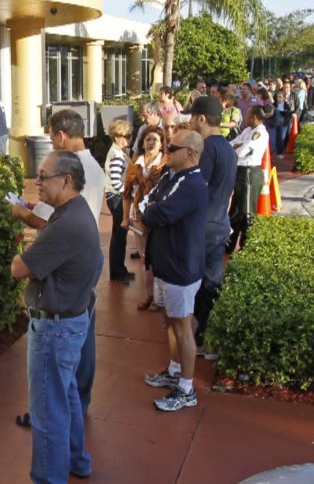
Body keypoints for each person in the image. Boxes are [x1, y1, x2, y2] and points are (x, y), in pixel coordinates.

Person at [11, 150, 102, 483]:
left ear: (66, 180)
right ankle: (77, 460)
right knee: (66, 396)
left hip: (54, 329)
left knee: (48, 411)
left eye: (43, 176)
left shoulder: (67, 225)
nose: (36, 182)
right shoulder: (74, 213)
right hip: (67, 324)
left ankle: (49, 477)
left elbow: (18, 267)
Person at [139, 130, 208, 412]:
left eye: (173, 148)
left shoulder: (192, 185)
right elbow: (148, 201)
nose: (167, 152)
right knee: (170, 321)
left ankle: (187, 388)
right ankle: (175, 369)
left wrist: (151, 210)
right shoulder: (170, 177)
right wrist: (151, 209)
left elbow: (159, 213)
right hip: (165, 264)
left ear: (190, 153)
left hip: (181, 267)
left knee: (182, 326)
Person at [46, 109, 105, 414]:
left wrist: (23, 214)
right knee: (83, 329)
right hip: (87, 255)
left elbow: (51, 222)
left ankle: (63, 405)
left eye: (51, 138)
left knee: (65, 334)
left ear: (62, 135)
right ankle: (78, 401)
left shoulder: (70, 168)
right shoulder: (94, 166)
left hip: (68, 259)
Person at [186, 97, 238, 358]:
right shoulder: (228, 148)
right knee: (211, 282)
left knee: (195, 284)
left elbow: (197, 188)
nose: (190, 122)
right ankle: (208, 336)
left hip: (203, 227)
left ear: (202, 118)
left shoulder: (207, 149)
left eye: (192, 117)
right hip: (219, 224)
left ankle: (202, 336)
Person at [123, 127, 168, 313]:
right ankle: (149, 294)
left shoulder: (166, 166)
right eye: (147, 139)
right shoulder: (135, 165)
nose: (151, 143)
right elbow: (126, 194)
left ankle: (160, 298)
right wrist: (125, 219)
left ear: (162, 145)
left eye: (155, 140)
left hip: (159, 217)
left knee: (159, 257)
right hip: (138, 216)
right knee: (144, 258)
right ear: (142, 143)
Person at [227, 106, 268, 254]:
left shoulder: (259, 133)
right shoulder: (247, 131)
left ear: (254, 117)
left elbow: (243, 151)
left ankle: (246, 248)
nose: (245, 117)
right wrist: (236, 146)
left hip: (249, 173)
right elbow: (232, 144)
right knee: (235, 211)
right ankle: (229, 245)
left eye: (248, 114)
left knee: (247, 213)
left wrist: (237, 147)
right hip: (239, 171)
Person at [104, 120, 134, 284]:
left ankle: (119, 269)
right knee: (119, 235)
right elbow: (116, 182)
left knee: (119, 235)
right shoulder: (117, 155)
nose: (129, 139)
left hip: (116, 197)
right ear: (117, 137)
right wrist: (129, 194)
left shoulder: (118, 152)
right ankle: (117, 272)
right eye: (127, 136)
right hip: (117, 198)